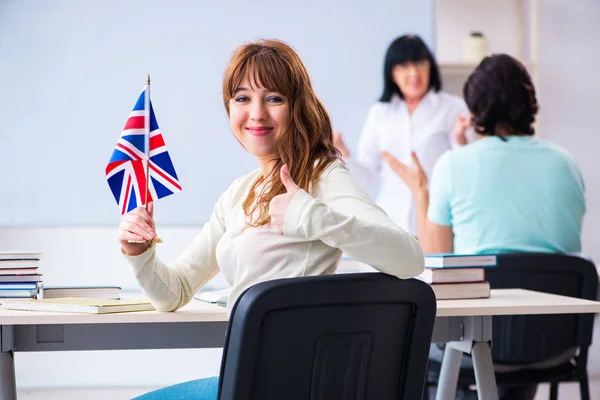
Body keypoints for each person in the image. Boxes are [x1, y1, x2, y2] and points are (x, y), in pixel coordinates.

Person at [119, 39, 425, 400]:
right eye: (242, 98)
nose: (257, 113)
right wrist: (140, 253)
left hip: (290, 383)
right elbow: (174, 292)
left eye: (274, 98)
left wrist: (312, 216)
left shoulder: (322, 174)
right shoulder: (238, 193)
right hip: (246, 377)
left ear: (297, 106)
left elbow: (410, 257)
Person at [382, 53, 586, 400]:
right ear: (530, 103)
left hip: (478, 341)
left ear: (475, 109)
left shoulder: (453, 165)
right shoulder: (565, 162)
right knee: (513, 328)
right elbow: (559, 243)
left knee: (448, 341)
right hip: (553, 342)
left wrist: (420, 190)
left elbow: (433, 257)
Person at [333, 34, 474, 236]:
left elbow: (465, 168)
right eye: (404, 66)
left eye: (419, 64)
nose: (413, 73)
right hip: (391, 223)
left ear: (430, 67)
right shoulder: (380, 112)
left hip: (437, 220)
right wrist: (343, 153)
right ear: (392, 73)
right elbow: (365, 175)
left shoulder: (452, 107)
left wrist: (461, 139)